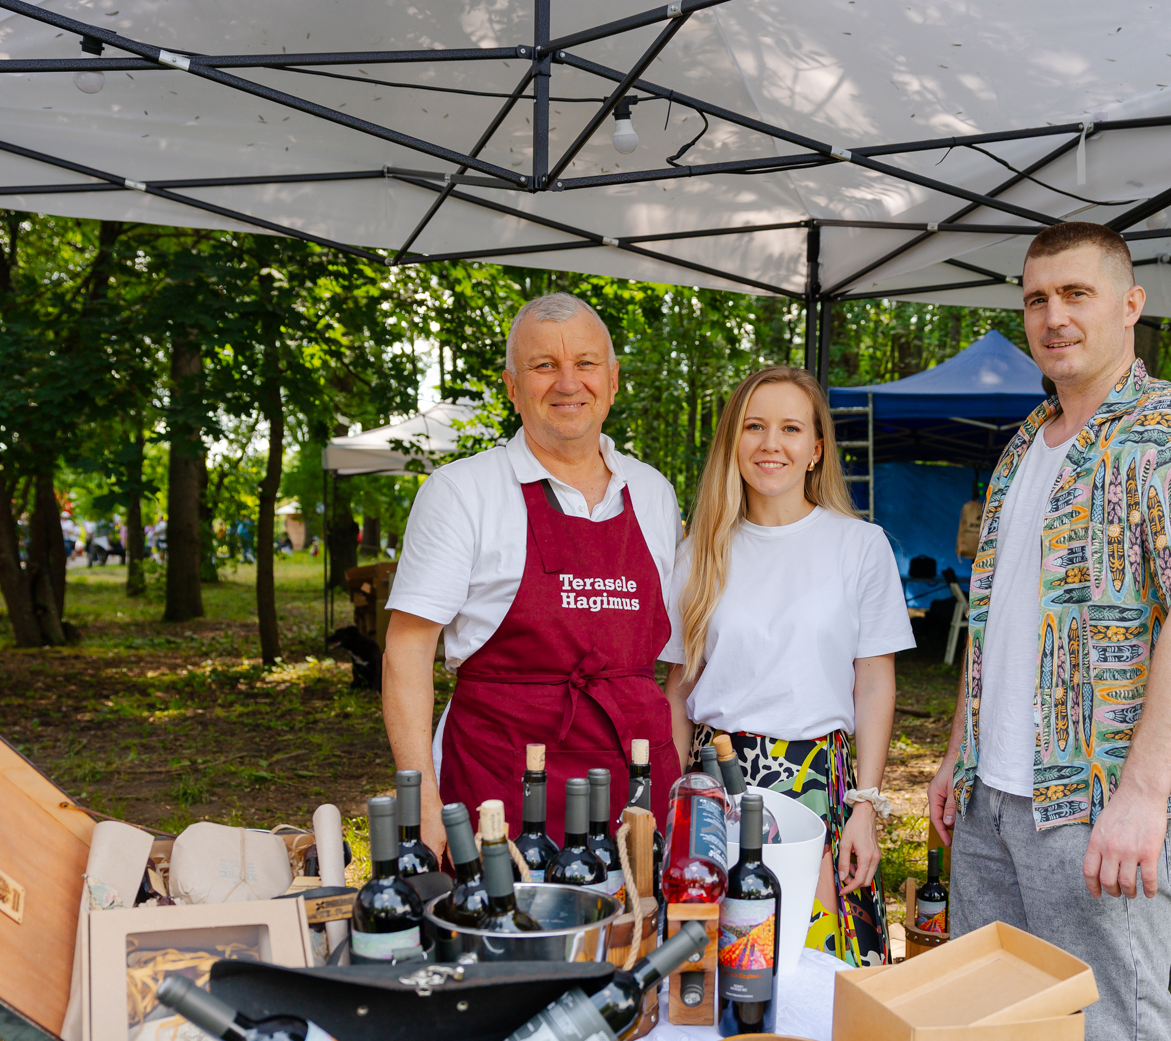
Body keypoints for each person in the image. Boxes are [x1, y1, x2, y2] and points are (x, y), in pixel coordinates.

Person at [925, 222, 1171, 1041]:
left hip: (1099, 800)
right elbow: (990, 621)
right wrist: (956, 755)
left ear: (1129, 303)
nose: (1053, 316)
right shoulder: (1024, 445)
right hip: (996, 799)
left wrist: (1144, 795)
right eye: (1036, 299)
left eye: (1075, 293)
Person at [381, 293, 683, 857]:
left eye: (586, 364)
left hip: (637, 784)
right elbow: (407, 650)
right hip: (502, 785)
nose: (569, 383)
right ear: (512, 386)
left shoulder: (654, 493)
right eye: (544, 366)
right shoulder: (461, 492)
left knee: (643, 940)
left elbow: (676, 661)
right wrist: (420, 802)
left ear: (613, 381)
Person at [663, 366, 913, 966]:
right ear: (733, 442)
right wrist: (676, 801)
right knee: (725, 964)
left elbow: (875, 683)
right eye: (754, 426)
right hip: (718, 778)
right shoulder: (699, 551)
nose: (770, 443)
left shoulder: (860, 545)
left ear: (816, 450)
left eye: (790, 428)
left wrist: (865, 806)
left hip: (818, 777)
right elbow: (678, 689)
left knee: (824, 963)